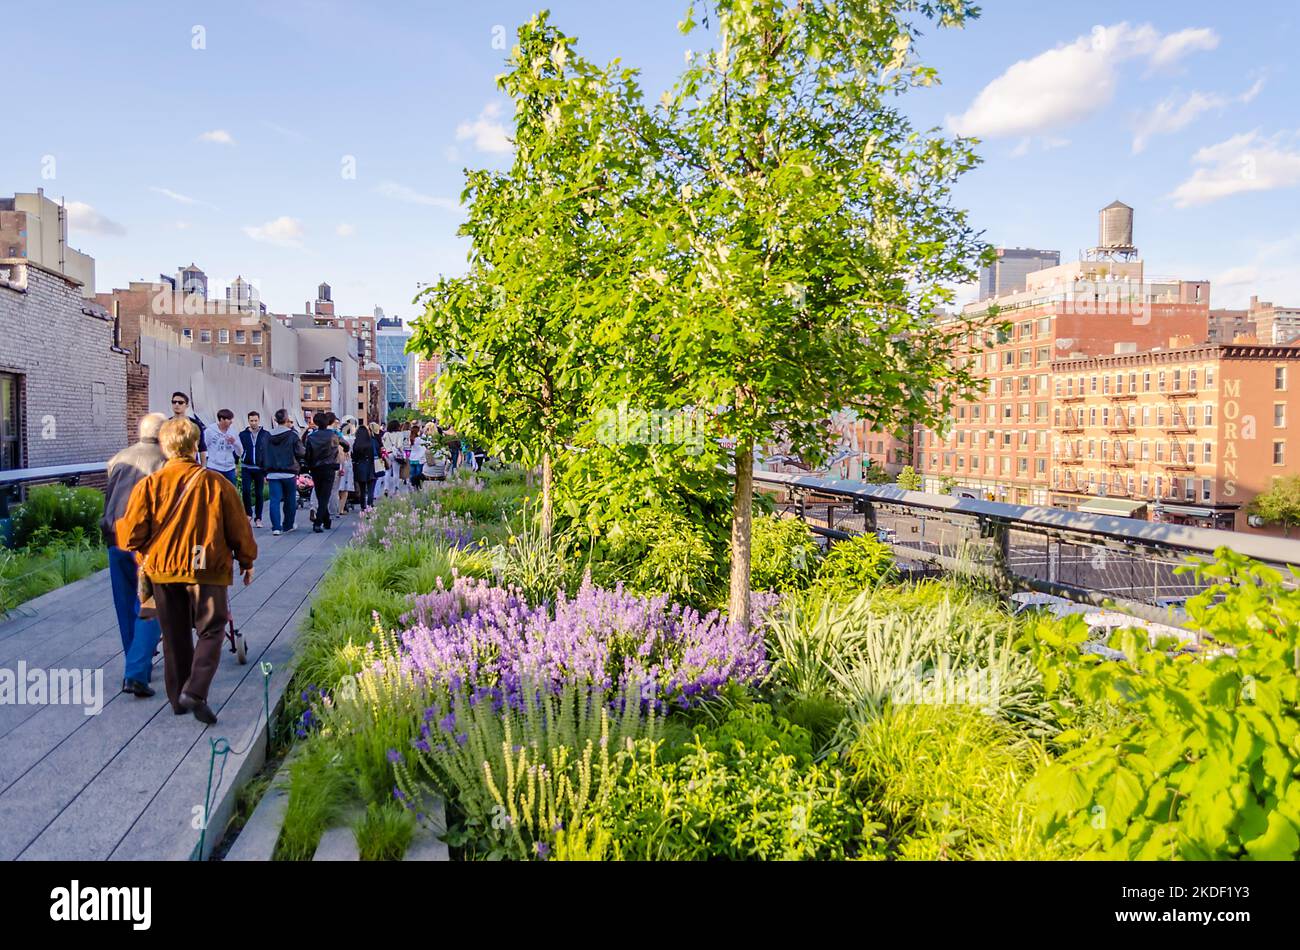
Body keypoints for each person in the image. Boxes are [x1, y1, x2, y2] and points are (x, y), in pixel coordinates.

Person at [118, 417, 258, 725]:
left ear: (165, 448)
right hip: (204, 567)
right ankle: (195, 691)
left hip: (164, 570)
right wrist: (247, 562)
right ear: (195, 446)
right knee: (212, 628)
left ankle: (178, 699)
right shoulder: (216, 484)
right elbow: (239, 529)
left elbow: (131, 536)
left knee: (174, 634)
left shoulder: (149, 486)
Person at [102, 412, 168, 698]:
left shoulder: (118, 458)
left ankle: (134, 659)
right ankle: (136, 673)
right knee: (151, 603)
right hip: (147, 544)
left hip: (116, 536)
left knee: (125, 602)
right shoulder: (165, 460)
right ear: (163, 433)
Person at [265, 409, 305, 536]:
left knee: (274, 500)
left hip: (272, 472)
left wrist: (264, 471)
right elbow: (300, 452)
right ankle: (288, 525)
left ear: (275, 420)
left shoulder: (268, 436)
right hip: (289, 472)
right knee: (290, 499)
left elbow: (262, 454)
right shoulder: (292, 435)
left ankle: (276, 527)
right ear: (287, 419)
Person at [303, 411, 341, 532]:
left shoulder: (311, 437)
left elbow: (307, 454)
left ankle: (326, 520)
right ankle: (319, 522)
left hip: (315, 468)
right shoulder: (333, 435)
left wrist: (309, 464)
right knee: (325, 495)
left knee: (320, 494)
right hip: (329, 467)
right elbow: (343, 445)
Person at [239, 411, 269, 527]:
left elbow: (267, 452)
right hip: (246, 466)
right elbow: (238, 449)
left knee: (259, 493)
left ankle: (258, 517)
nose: (254, 423)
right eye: (251, 420)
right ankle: (248, 513)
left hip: (259, 468)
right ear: (248, 421)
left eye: (255, 420)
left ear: (259, 420)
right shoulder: (243, 434)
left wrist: (267, 471)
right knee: (246, 491)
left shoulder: (265, 434)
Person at [168, 391, 207, 467]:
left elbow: (202, 447)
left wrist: (203, 467)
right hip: (171, 465)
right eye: (174, 402)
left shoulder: (195, 424)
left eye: (180, 402)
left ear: (186, 405)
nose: (177, 404)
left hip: (190, 465)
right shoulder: (167, 424)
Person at [205, 408, 242, 486]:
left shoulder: (233, 432)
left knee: (231, 492)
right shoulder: (209, 431)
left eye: (231, 419)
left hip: (229, 468)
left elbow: (240, 452)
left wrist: (234, 442)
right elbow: (203, 447)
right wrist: (205, 463)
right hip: (214, 467)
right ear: (221, 419)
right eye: (229, 419)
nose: (231, 421)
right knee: (214, 491)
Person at [351, 423, 378, 509]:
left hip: (359, 467)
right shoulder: (371, 442)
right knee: (370, 488)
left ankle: (363, 506)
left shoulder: (356, 444)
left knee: (362, 489)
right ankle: (370, 504)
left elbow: (354, 457)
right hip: (370, 466)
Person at [382, 419, 409, 496]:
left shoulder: (386, 434)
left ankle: (386, 488)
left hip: (387, 454)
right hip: (396, 454)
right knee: (395, 472)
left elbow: (383, 443)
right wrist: (402, 453)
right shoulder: (399, 434)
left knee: (387, 472)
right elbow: (400, 445)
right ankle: (395, 488)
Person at [336, 417, 356, 514]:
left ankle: (335, 507)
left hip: (337, 462)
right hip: (347, 463)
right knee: (345, 487)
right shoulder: (352, 439)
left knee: (336, 487)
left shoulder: (338, 438)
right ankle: (341, 509)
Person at [408, 424, 427, 490]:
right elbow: (425, 444)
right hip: (419, 459)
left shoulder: (410, 439)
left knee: (412, 473)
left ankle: (412, 485)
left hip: (412, 458)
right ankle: (418, 485)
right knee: (418, 474)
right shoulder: (419, 439)